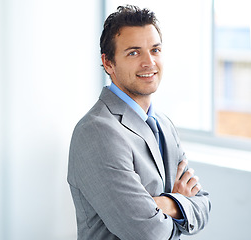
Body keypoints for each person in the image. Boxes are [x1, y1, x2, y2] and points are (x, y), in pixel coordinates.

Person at [67, 5, 211, 240]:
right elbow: (149, 233)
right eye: (134, 53)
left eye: (155, 50)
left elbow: (204, 205)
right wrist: (181, 202)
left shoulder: (164, 125)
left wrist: (161, 204)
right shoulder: (96, 132)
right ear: (108, 63)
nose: (149, 62)